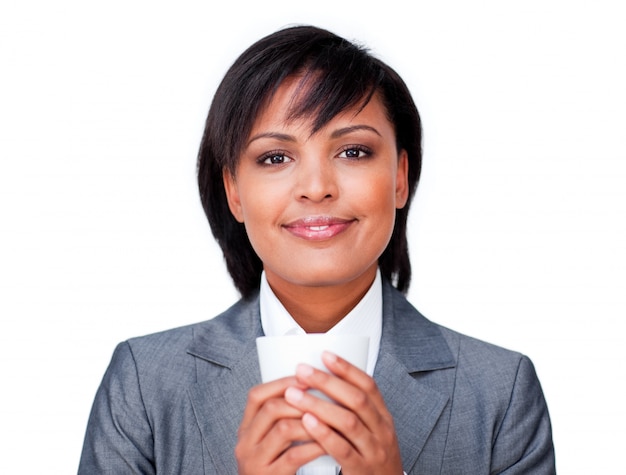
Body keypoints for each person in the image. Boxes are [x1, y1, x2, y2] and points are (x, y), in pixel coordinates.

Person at [78, 25, 555, 474]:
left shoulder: (500, 393)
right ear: (235, 192)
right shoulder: (144, 384)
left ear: (400, 178)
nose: (316, 187)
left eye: (353, 151)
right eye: (275, 157)